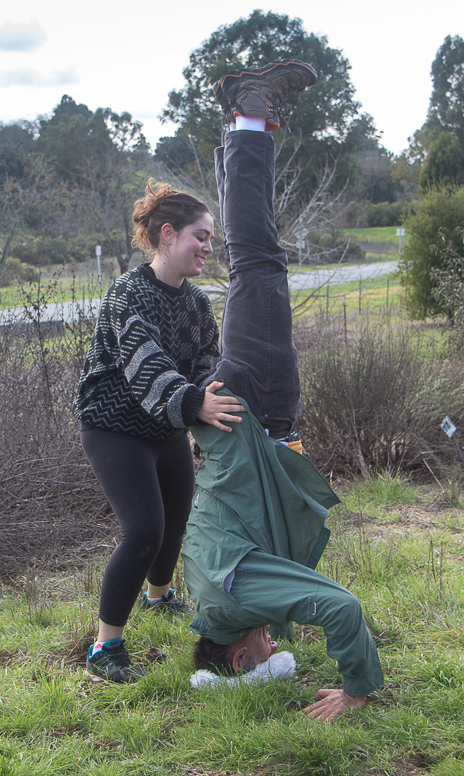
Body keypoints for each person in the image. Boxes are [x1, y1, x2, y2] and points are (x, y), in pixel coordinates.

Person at [182, 60, 384, 721]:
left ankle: (248, 115)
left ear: (240, 658)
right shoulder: (211, 602)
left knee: (258, 262)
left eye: (266, 650)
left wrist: (355, 688)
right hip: (245, 423)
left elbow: (339, 606)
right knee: (253, 265)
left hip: (256, 413)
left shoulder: (235, 597)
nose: (276, 643)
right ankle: (244, 121)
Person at [73, 181, 244, 683]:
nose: (208, 247)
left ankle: (159, 595)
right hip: (113, 427)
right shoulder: (128, 293)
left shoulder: (197, 303)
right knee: (144, 531)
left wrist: (214, 394)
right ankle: (104, 646)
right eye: (200, 236)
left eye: (211, 238)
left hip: (164, 423)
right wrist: (195, 404)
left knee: (177, 520)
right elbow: (146, 366)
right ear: (168, 235)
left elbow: (208, 361)